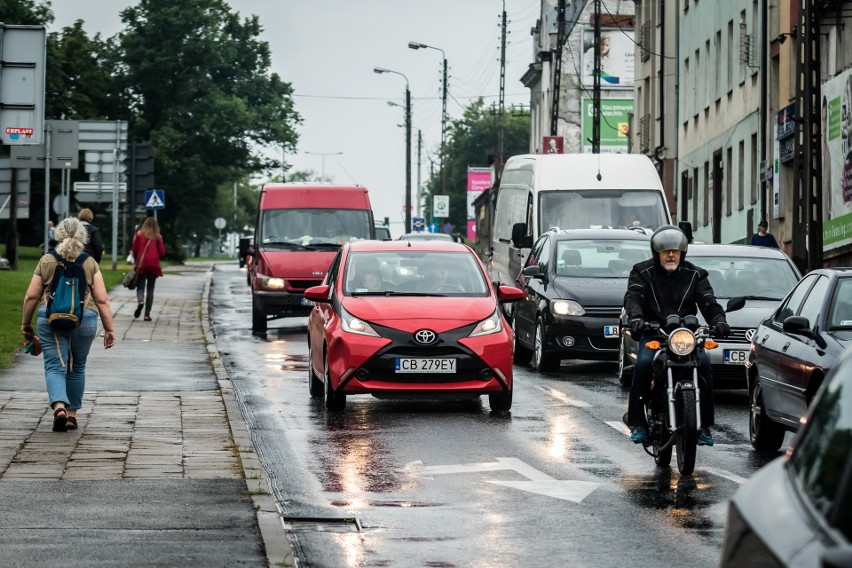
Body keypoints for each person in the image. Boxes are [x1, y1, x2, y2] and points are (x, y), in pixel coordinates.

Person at [623, 225, 731, 447]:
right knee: (643, 364)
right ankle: (638, 423)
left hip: (685, 335)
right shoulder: (642, 272)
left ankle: (705, 425)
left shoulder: (696, 275)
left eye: (675, 251)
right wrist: (636, 318)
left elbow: (708, 302)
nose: (671, 255)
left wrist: (719, 321)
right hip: (654, 333)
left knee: (704, 364)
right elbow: (633, 297)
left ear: (683, 253)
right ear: (657, 253)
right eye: (665, 251)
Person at [21, 217, 116, 432]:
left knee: (55, 365)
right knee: (77, 366)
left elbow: (31, 296)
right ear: (83, 236)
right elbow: (102, 299)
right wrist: (109, 329)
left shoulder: (47, 260)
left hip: (50, 319)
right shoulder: (89, 262)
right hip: (86, 318)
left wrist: (26, 323)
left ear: (58, 235)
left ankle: (60, 407)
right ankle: (71, 416)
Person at [130, 217, 166, 321]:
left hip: (142, 265)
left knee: (140, 287)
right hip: (154, 265)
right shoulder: (158, 237)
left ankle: (141, 301)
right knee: (150, 290)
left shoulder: (140, 234)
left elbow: (134, 250)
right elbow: (162, 253)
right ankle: (147, 315)